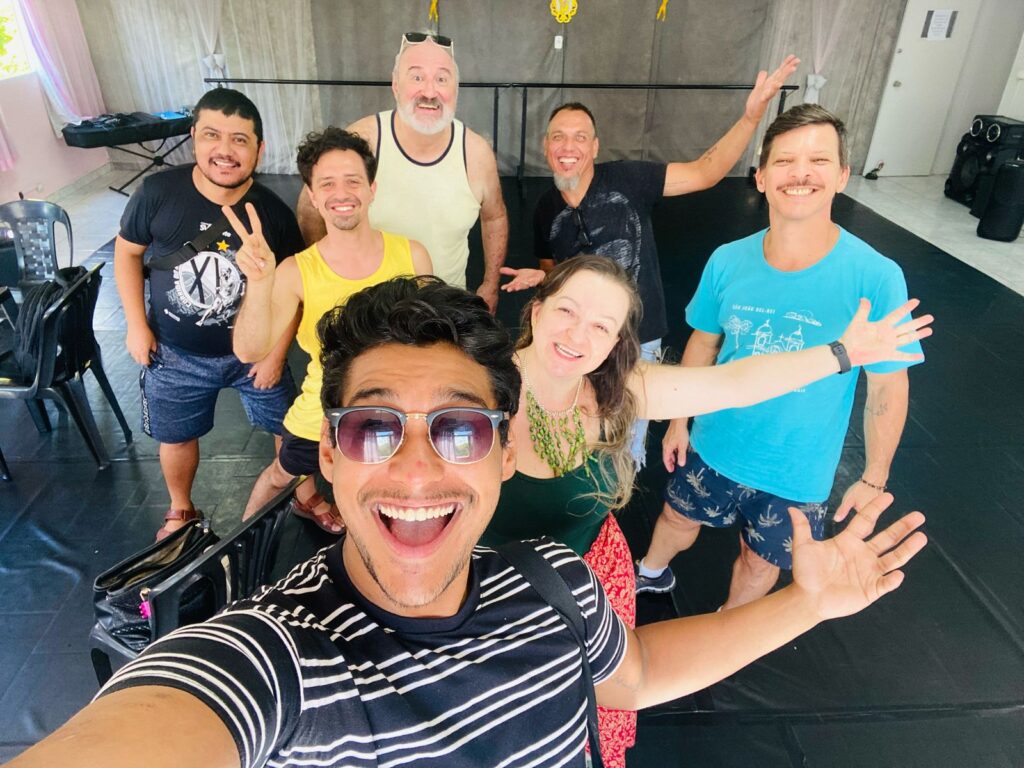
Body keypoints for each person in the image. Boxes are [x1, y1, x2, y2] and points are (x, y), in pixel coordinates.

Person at [5, 277, 929, 768]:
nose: (415, 465)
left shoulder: (563, 556)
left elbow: (635, 673)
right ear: (327, 452)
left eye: (454, 431)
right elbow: (182, 715)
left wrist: (846, 355)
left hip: (571, 576)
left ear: (494, 449)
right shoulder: (274, 658)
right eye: (373, 428)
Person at [479, 254, 931, 766]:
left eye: (601, 325)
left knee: (594, 706)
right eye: (566, 311)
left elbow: (735, 384)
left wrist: (842, 353)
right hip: (494, 601)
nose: (578, 335)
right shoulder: (478, 393)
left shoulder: (614, 390)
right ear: (536, 311)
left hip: (586, 577)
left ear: (615, 344)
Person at [634, 104, 925, 609]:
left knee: (759, 562)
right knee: (677, 518)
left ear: (842, 176)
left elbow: (888, 384)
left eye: (818, 160)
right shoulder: (728, 260)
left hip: (796, 471)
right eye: (785, 161)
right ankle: (650, 573)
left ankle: (730, 627)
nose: (801, 173)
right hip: (715, 443)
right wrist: (680, 420)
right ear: (762, 177)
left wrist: (874, 476)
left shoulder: (876, 277)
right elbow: (704, 342)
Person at [501, 55, 799, 463]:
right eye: (558, 137)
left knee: (625, 441)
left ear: (594, 147)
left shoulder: (628, 179)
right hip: (581, 341)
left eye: (579, 137)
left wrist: (751, 118)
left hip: (637, 340)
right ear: (546, 146)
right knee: (580, 432)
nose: (568, 147)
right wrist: (543, 279)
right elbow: (558, 279)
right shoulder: (546, 209)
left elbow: (705, 173)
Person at [113, 87, 305, 539]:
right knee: (176, 436)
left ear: (259, 149)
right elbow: (126, 255)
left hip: (253, 355)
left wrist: (275, 354)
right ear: (194, 137)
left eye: (240, 139)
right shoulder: (157, 193)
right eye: (213, 135)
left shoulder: (273, 214)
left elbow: (294, 291)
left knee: (292, 427)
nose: (225, 150)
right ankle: (180, 510)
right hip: (174, 351)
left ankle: (304, 492)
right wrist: (136, 325)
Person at [232, 127, 431, 529]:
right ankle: (233, 560)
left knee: (380, 496)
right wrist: (259, 284)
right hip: (322, 412)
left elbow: (431, 340)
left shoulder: (412, 254)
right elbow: (248, 350)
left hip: (394, 409)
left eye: (353, 181)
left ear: (372, 189)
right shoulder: (295, 271)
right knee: (278, 478)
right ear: (313, 194)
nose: (342, 193)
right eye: (327, 183)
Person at [296, 32, 507, 311]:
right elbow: (310, 209)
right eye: (417, 77)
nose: (430, 92)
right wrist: (329, 273)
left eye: (442, 79)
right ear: (396, 85)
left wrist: (490, 285)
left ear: (456, 90)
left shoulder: (477, 153)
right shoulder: (362, 141)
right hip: (368, 311)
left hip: (446, 310)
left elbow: (494, 217)